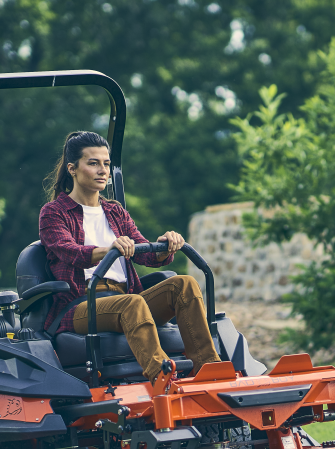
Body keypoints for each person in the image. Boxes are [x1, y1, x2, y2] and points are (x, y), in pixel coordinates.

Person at [37, 130, 218, 379]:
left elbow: (144, 252)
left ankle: (210, 369)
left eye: (106, 164)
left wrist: (165, 245)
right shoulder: (54, 213)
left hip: (125, 297)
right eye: (93, 163)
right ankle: (163, 376)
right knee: (132, 303)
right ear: (72, 169)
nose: (103, 170)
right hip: (81, 304)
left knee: (184, 284)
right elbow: (69, 252)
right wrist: (108, 250)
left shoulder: (115, 212)